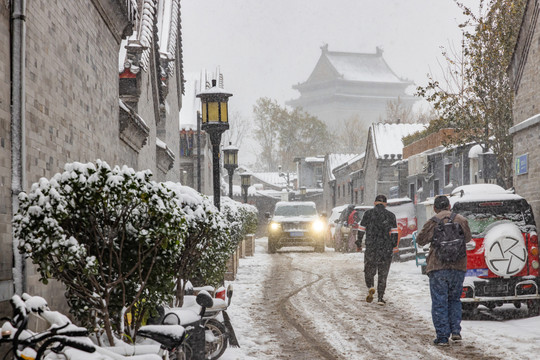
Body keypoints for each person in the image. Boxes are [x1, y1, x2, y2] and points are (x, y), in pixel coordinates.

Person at [416, 195, 472, 346]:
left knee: (439, 301)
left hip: (438, 267)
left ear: (434, 208)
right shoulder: (461, 220)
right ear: (449, 206)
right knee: (454, 299)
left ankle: (442, 337)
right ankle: (456, 331)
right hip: (458, 266)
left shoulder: (433, 222)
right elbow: (467, 238)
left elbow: (420, 240)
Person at [356, 194, 398, 306]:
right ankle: (380, 297)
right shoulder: (391, 216)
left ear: (375, 203)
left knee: (369, 269)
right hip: (385, 248)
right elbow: (394, 233)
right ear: (385, 204)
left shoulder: (368, 214)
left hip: (371, 247)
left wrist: (359, 242)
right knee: (383, 274)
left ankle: (370, 287)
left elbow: (361, 230)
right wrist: (392, 245)